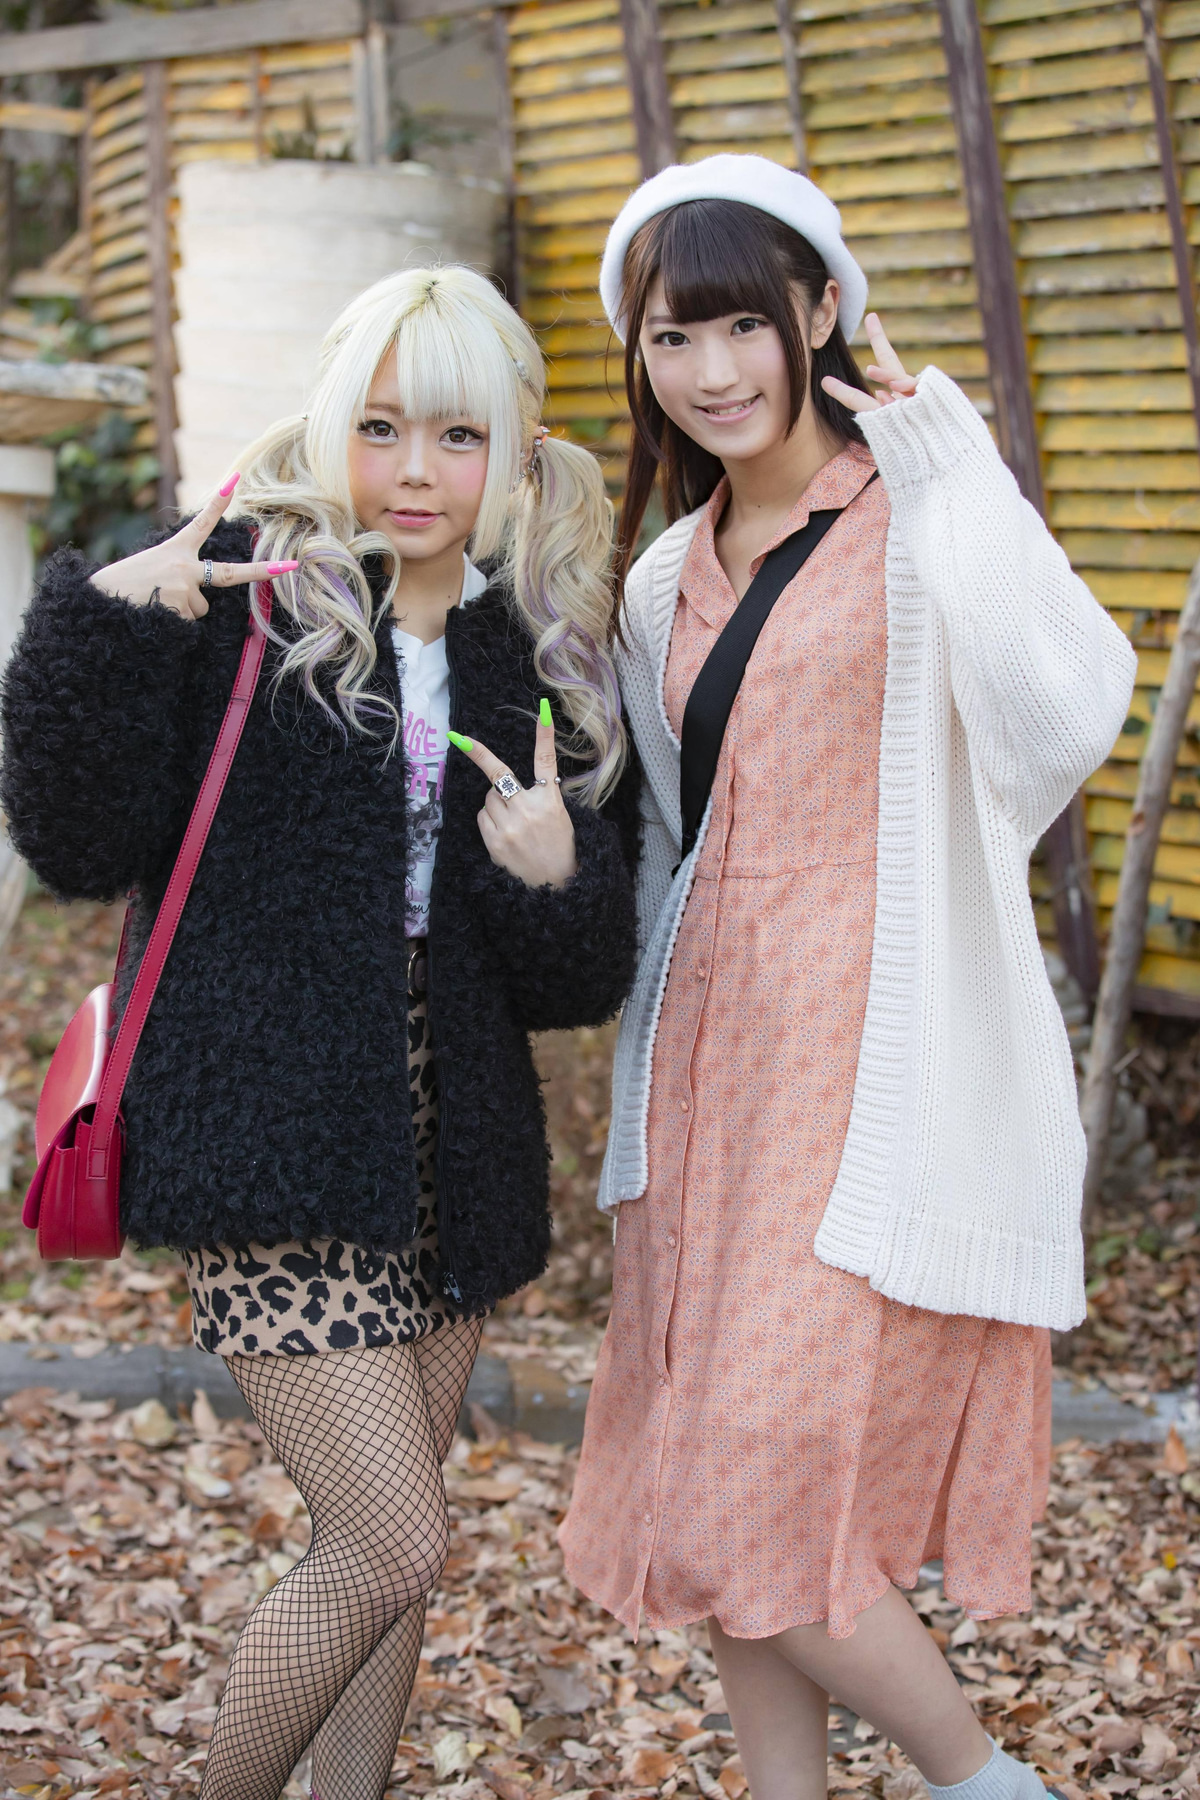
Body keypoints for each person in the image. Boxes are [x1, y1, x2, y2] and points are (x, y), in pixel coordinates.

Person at [2, 263, 638, 1800]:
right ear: (329, 423)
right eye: (380, 427)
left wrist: (556, 876)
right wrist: (105, 624)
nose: (416, 471)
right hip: (267, 1129)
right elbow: (73, 846)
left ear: (512, 450)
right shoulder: (238, 600)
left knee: (390, 1561)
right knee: (392, 1537)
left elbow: (574, 980)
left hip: (450, 1139)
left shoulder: (531, 650)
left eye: (458, 437)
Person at [558, 155, 1136, 1800]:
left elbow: (1065, 711)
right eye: (675, 337)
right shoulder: (664, 574)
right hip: (706, 1068)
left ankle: (984, 1785)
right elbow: (666, 842)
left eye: (745, 323)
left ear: (820, 312)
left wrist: (950, 462)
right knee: (716, 1476)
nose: (714, 370)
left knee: (743, 1483)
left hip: (870, 1047)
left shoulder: (921, 512)